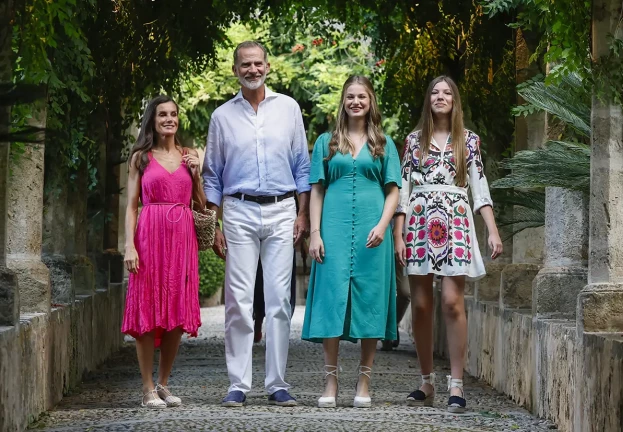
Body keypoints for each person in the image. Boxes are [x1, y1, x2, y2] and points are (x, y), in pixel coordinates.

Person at [202, 41, 311, 408]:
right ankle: (238, 383)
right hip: (238, 210)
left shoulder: (289, 109)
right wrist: (213, 223)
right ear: (235, 70)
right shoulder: (221, 117)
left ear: (268, 66)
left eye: (257, 63)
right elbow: (212, 174)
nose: (252, 69)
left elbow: (302, 167)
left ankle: (277, 383)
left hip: (282, 210)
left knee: (280, 300)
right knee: (238, 300)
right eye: (245, 64)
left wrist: (303, 212)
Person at [394, 76, 503, 413]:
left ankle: (456, 384)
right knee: (422, 304)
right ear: (428, 100)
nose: (440, 97)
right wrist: (398, 233)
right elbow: (403, 188)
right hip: (419, 225)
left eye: (447, 93)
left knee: (453, 302)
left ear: (455, 101)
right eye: (435, 93)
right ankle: (426, 381)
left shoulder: (468, 141)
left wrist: (492, 230)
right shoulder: (414, 141)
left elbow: (479, 187)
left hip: (455, 223)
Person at [302, 75, 401, 409]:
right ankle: (330, 379)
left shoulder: (385, 144)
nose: (356, 102)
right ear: (342, 102)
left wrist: (383, 225)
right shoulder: (325, 142)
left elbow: (394, 191)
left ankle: (364, 379)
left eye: (362, 96)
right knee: (331, 296)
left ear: (371, 101)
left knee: (370, 298)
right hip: (333, 227)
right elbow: (317, 189)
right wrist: (315, 233)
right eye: (350, 97)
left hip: (374, 231)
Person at [121, 95, 204, 409]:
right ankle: (146, 388)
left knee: (176, 310)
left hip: (182, 237)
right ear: (152, 121)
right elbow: (131, 207)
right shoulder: (140, 157)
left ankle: (163, 383)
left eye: (173, 114)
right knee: (147, 307)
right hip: (149, 235)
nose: (169, 119)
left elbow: (201, 203)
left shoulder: (189, 155)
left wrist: (196, 174)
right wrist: (129, 245)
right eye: (162, 115)